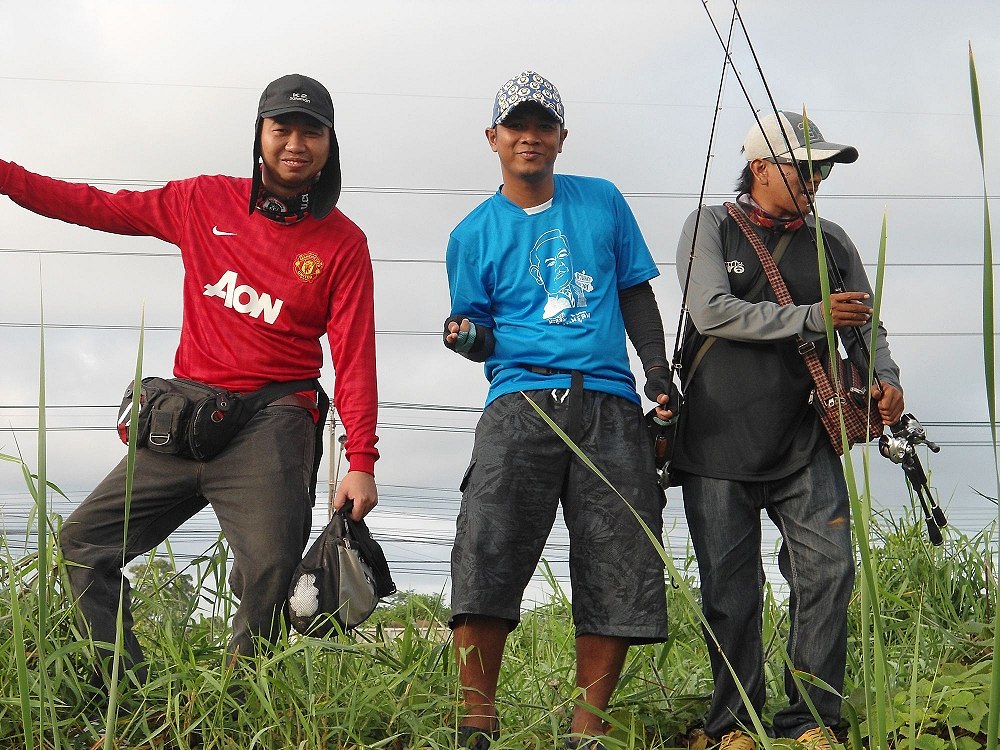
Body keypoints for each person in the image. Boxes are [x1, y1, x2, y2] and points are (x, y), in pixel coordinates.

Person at [0, 73, 379, 683]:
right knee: (82, 545)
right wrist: (7, 177)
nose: (295, 144)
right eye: (282, 128)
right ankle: (126, 694)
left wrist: (361, 458)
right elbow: (98, 206)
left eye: (312, 132)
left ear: (330, 145)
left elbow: (356, 357)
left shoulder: (343, 244)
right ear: (259, 134)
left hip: (275, 423)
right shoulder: (202, 201)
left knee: (267, 577)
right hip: (185, 420)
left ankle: (234, 711)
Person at [443, 70, 673, 749]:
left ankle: (587, 731)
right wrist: (464, 338)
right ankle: (477, 722)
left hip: (607, 398)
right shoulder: (471, 233)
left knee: (620, 557)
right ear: (493, 138)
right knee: (487, 548)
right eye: (517, 126)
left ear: (562, 137)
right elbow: (475, 330)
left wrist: (656, 373)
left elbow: (635, 294)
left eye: (544, 126)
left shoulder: (601, 201)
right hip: (518, 401)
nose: (530, 137)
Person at [672, 111, 904, 750]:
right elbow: (712, 310)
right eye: (804, 166)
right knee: (729, 589)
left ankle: (809, 723)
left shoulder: (832, 241)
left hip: (808, 435)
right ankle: (733, 726)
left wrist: (884, 377)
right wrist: (809, 316)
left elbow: (863, 324)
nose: (817, 177)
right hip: (717, 439)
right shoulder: (711, 226)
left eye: (823, 167)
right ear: (760, 168)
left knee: (830, 573)